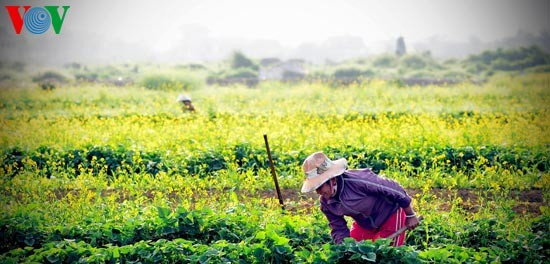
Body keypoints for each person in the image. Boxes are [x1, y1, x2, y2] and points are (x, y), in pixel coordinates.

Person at [301, 151, 420, 246]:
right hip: (365, 224)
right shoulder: (326, 203)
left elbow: (394, 189)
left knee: (386, 255)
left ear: (332, 180)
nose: (319, 192)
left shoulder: (358, 181)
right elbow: (338, 228)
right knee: (355, 250)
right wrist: (344, 248)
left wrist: (410, 215)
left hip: (390, 215)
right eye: (315, 188)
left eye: (320, 186)